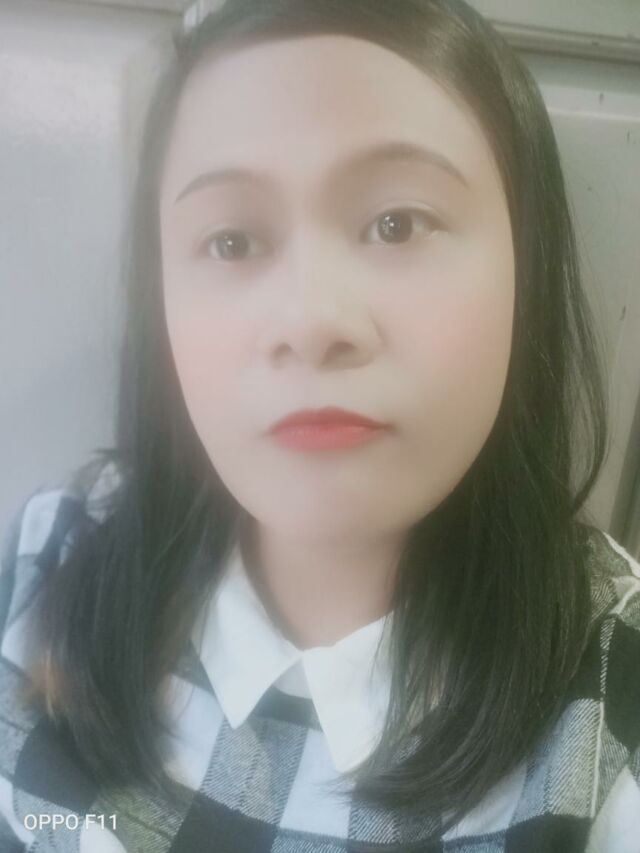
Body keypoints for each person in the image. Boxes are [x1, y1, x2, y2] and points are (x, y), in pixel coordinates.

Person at [1, 0, 639, 850]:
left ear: (526, 267)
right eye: (232, 241)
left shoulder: (613, 696)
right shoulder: (48, 556)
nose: (310, 321)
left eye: (396, 224)